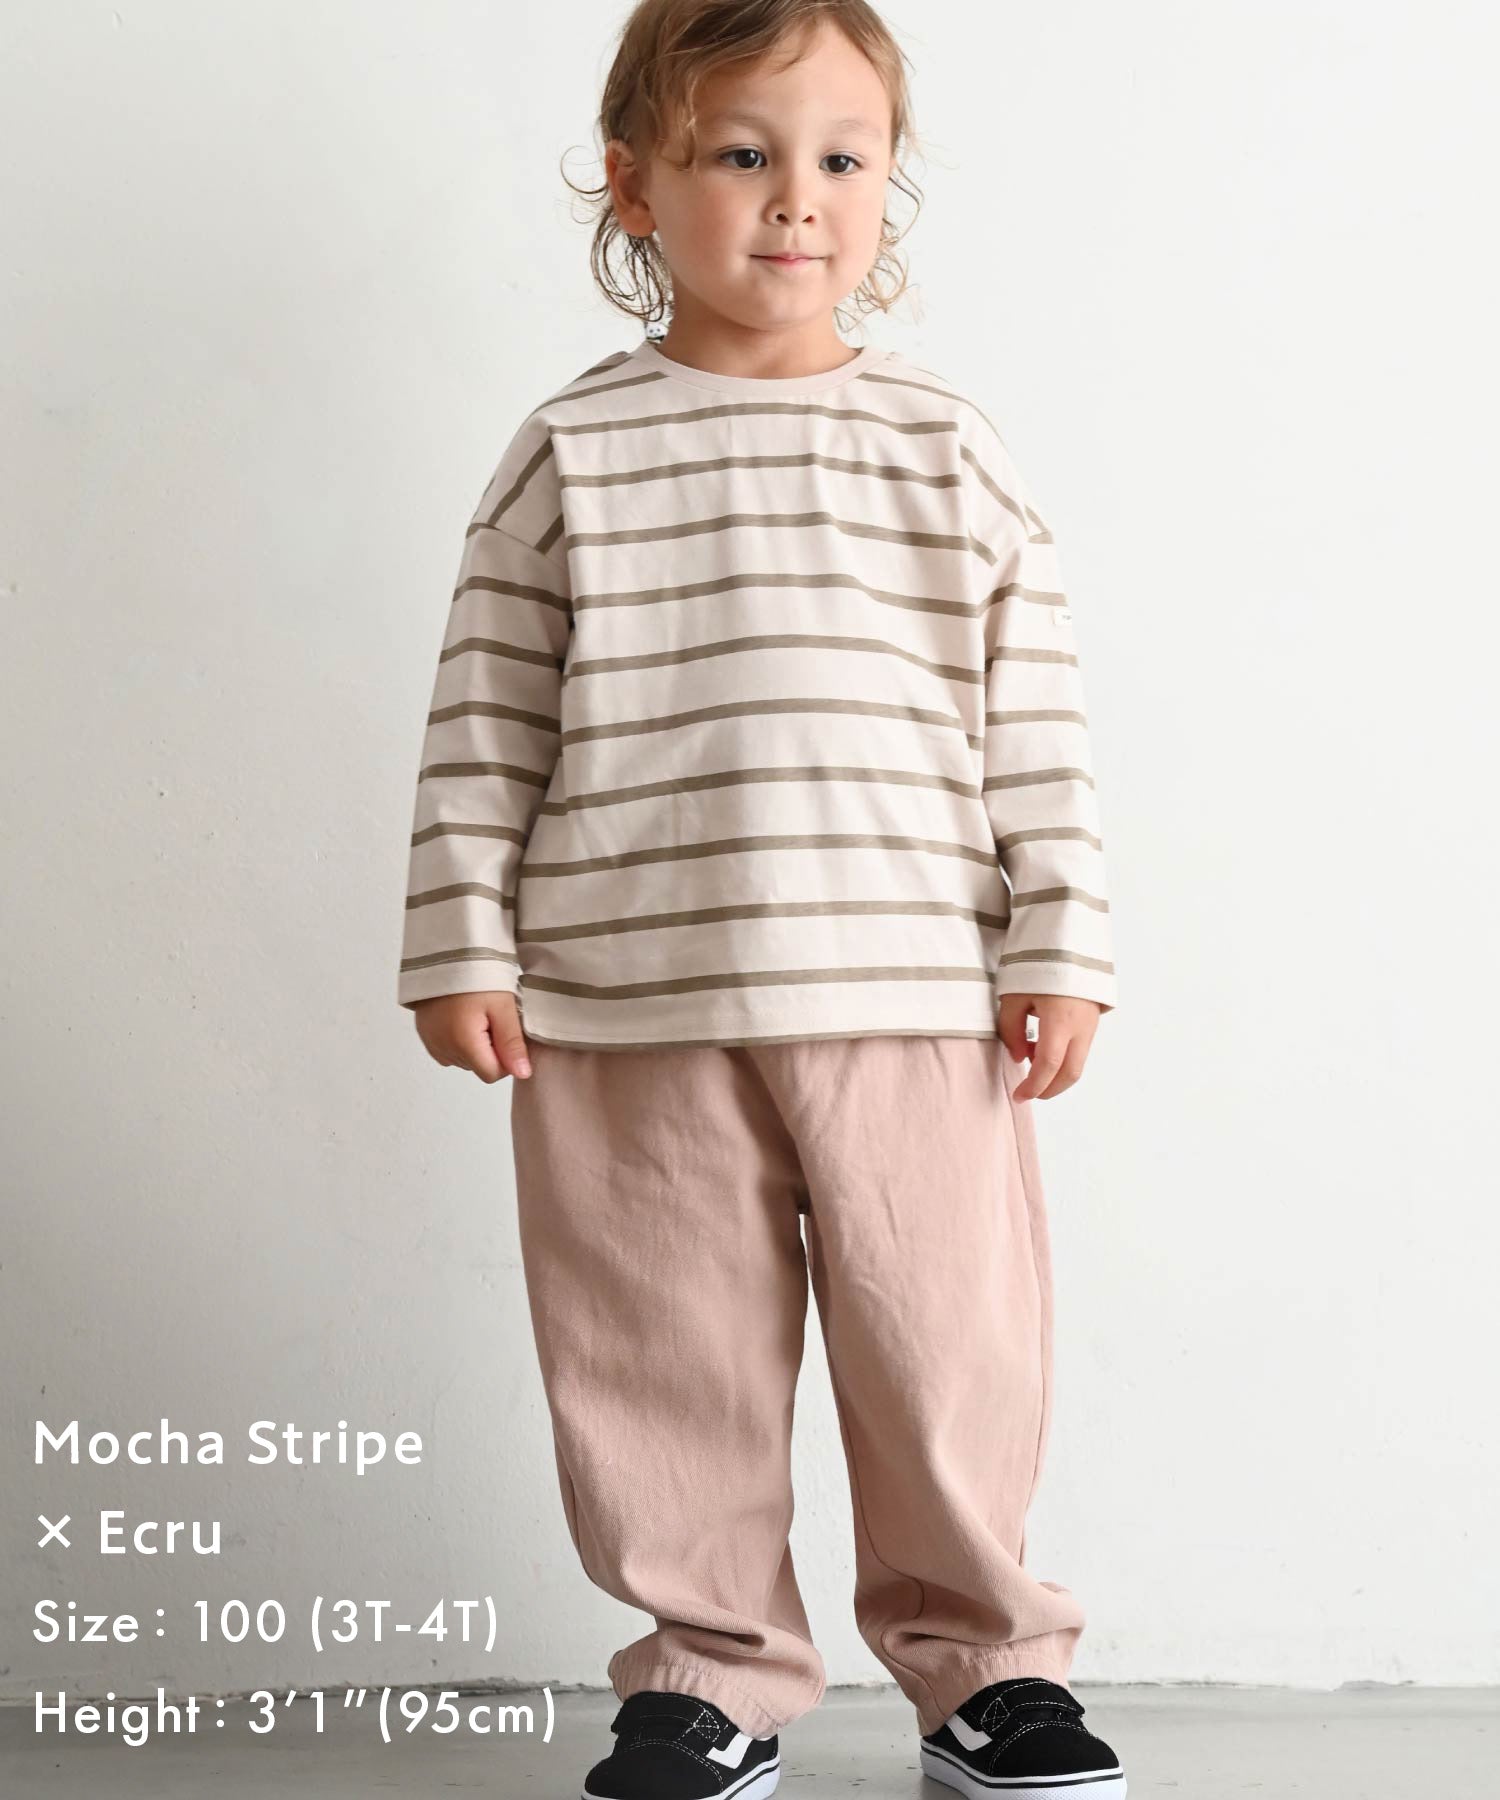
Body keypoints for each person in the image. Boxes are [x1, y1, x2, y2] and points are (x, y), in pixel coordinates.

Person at [396, 4, 1125, 1796]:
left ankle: (988, 1670)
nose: (798, 198)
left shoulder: (945, 445)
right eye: (742, 153)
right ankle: (704, 1674)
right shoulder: (570, 452)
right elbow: (485, 719)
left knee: (945, 1356)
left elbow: (1035, 723)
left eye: (841, 158)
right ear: (635, 186)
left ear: (886, 184)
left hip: (911, 994)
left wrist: (1062, 940)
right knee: (661, 1364)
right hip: (627, 1004)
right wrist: (460, 939)